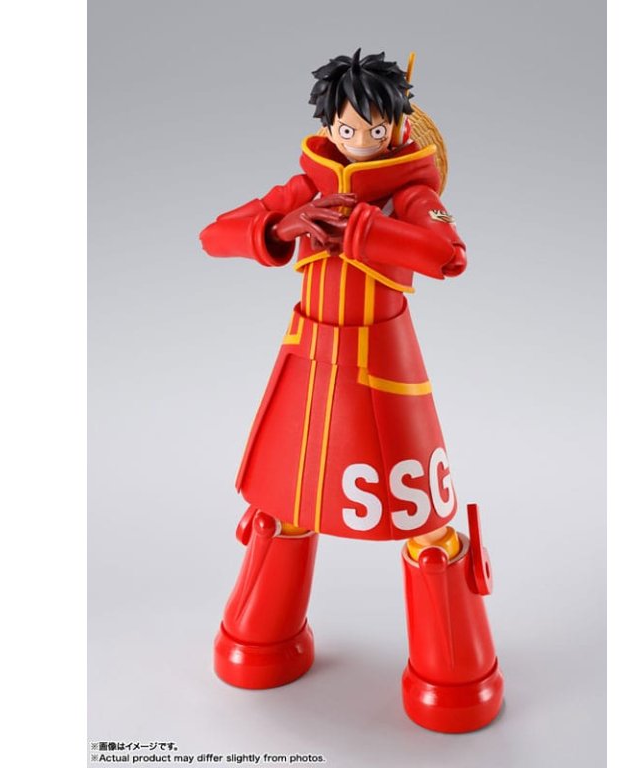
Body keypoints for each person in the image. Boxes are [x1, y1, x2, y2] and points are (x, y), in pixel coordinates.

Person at [199, 49, 503, 733]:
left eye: (374, 129)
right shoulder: (305, 185)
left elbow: (448, 255)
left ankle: (454, 676)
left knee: (426, 527)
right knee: (282, 508)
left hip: (384, 369)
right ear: (327, 126)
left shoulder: (410, 192)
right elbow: (214, 235)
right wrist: (279, 228)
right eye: (345, 128)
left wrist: (365, 229)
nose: (358, 140)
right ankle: (260, 640)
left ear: (399, 128)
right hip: (308, 361)